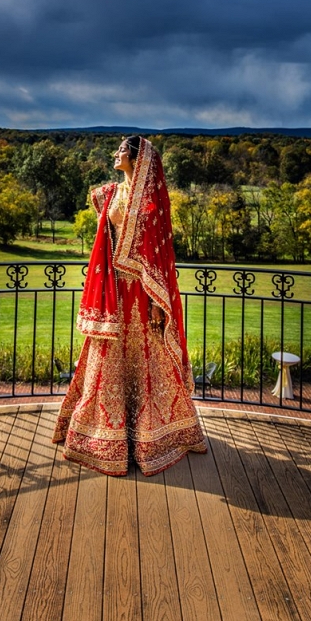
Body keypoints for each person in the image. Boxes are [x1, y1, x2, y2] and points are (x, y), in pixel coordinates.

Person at [52, 135, 207, 476]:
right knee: (107, 360)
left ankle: (154, 436)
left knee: (146, 360)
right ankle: (101, 434)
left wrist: (156, 301)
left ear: (138, 159)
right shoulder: (108, 193)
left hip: (141, 292)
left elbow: (157, 256)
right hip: (113, 294)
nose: (115, 153)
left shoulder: (151, 201)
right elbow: (104, 240)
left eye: (122, 150)